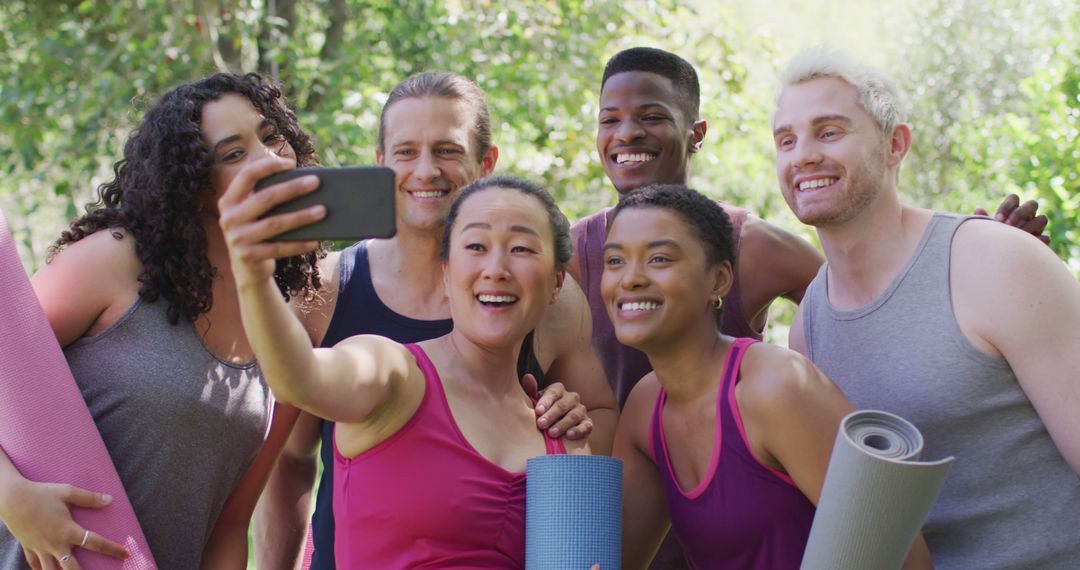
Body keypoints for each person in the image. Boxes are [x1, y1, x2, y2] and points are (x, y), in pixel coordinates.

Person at [253, 71, 616, 569]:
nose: (426, 171)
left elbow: (598, 425)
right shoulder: (325, 289)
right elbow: (288, 464)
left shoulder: (549, 299)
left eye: (447, 150)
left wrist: (572, 417)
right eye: (406, 152)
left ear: (485, 163)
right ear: (380, 164)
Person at [774, 46, 1080, 568]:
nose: (802, 155)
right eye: (786, 140)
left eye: (829, 132)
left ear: (895, 145)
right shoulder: (808, 325)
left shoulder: (995, 261)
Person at [0, 73, 316, 569]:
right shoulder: (115, 263)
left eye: (272, 135)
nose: (271, 159)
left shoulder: (284, 333)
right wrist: (10, 495)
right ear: (190, 183)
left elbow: (227, 530)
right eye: (234, 154)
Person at [219, 170, 590, 568]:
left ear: (556, 284)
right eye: (476, 246)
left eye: (521, 249)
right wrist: (254, 275)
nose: (496, 268)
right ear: (446, 274)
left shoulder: (564, 437)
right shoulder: (393, 373)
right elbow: (299, 377)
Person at [606, 184, 931, 569]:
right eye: (614, 261)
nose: (630, 279)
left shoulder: (776, 388)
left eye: (659, 259)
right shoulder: (646, 408)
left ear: (719, 281)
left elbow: (908, 561)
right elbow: (613, 561)